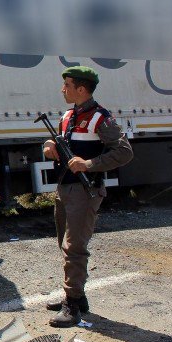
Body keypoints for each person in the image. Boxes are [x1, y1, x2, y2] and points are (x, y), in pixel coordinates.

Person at [43, 66, 133, 328]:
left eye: (67, 85)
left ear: (81, 89)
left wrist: (90, 164)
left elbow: (124, 153)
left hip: (85, 190)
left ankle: (72, 306)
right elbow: (61, 147)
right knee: (65, 244)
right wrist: (49, 148)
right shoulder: (68, 115)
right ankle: (77, 297)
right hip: (65, 188)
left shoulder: (101, 119)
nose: (63, 89)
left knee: (74, 247)